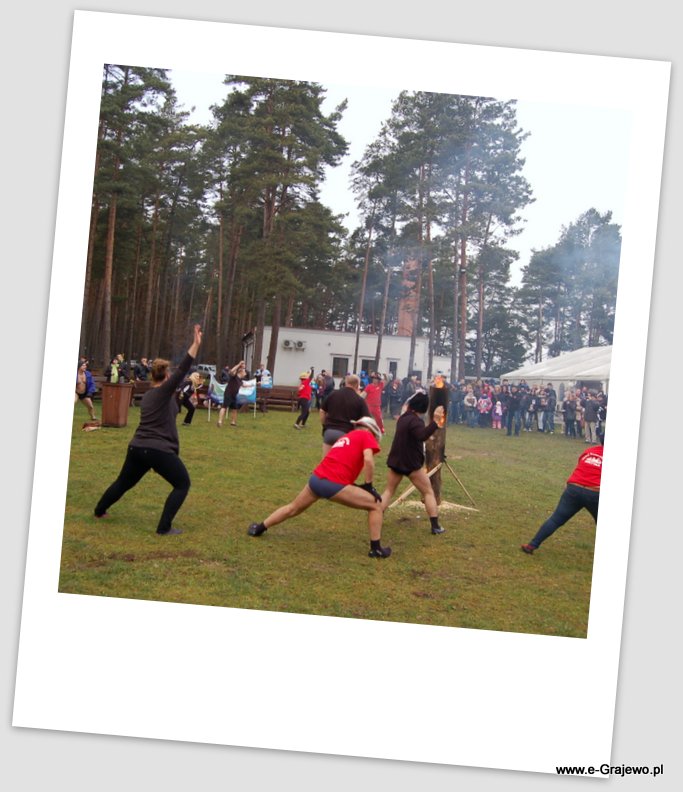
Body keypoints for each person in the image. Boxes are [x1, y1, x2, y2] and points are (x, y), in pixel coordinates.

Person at [93, 324, 203, 536]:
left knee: (123, 482)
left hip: (137, 448)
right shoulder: (163, 392)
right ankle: (164, 528)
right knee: (182, 484)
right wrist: (196, 344)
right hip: (157, 450)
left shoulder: (150, 396)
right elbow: (183, 369)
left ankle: (99, 510)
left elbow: (174, 400)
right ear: (167, 376)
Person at [247, 416, 391, 558]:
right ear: (370, 430)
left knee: (293, 508)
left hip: (316, 479)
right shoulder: (365, 435)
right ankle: (376, 549)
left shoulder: (347, 437)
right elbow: (368, 460)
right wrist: (368, 486)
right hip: (333, 484)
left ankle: (259, 528)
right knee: (376, 505)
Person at [520, 427, 605, 554]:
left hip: (574, 488)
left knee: (556, 519)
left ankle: (531, 545)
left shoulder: (589, 451)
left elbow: (581, 466)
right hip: (594, 493)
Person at [380, 392, 446, 535]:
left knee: (389, 491)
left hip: (396, 461)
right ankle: (435, 526)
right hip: (411, 464)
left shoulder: (403, 418)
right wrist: (435, 421)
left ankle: (376, 516)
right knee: (428, 492)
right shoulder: (416, 421)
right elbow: (422, 435)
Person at [319, 373, 370, 456]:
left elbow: (322, 411)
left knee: (326, 460)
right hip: (346, 434)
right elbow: (366, 421)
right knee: (342, 461)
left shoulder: (333, 394)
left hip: (329, 432)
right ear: (357, 385)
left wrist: (325, 425)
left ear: (346, 382)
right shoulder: (359, 400)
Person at [217, 360, 246, 428]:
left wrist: (253, 385)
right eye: (244, 371)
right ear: (240, 372)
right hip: (228, 394)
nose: (245, 373)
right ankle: (219, 421)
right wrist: (239, 364)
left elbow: (244, 385)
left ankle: (233, 423)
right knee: (224, 407)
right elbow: (231, 371)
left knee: (234, 409)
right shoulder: (234, 376)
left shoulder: (240, 380)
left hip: (234, 396)